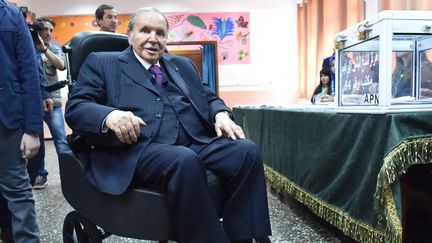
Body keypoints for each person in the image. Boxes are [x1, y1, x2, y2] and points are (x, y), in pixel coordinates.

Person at [66, 7, 271, 243]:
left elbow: (209, 97)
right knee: (183, 160)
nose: (153, 38)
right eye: (145, 31)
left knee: (247, 151)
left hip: (196, 140)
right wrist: (109, 115)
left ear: (166, 39)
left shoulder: (181, 65)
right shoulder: (103, 63)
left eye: (160, 33)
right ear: (130, 35)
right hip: (140, 147)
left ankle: (244, 236)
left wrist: (221, 114)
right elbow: (76, 107)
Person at [0, 1, 46, 242]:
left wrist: (33, 129)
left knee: (18, 192)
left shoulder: (12, 16)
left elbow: (29, 73)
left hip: (7, 119)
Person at [28, 17, 71, 189]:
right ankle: (40, 175)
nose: (48, 33)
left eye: (51, 30)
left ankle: (69, 174)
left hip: (53, 101)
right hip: (33, 102)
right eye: (44, 29)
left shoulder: (52, 49)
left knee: (61, 139)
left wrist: (44, 50)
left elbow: (61, 65)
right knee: (36, 141)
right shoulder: (26, 49)